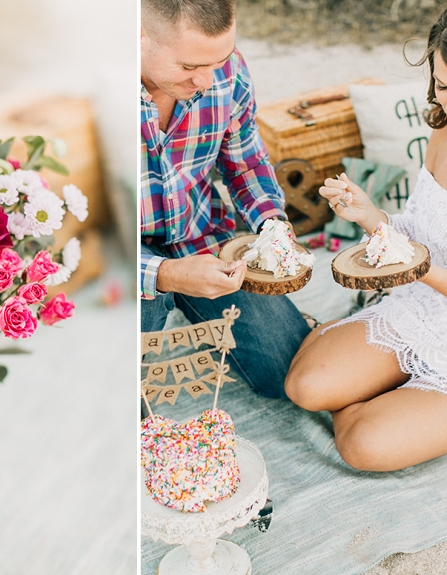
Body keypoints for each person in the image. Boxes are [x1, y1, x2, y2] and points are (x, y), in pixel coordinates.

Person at [285, 0, 447, 471]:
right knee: (305, 386)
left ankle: (378, 402)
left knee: (365, 446)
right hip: (420, 308)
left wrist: (425, 271)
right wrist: (369, 216)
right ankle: (375, 389)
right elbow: (420, 237)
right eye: (443, 86)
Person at [140, 0, 310, 398]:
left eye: (219, 59)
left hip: (201, 233)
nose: (205, 80)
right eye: (188, 67)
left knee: (286, 373)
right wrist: (164, 274)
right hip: (127, 260)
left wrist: (272, 227)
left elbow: (247, 163)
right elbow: (84, 239)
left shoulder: (225, 71)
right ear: (139, 35)